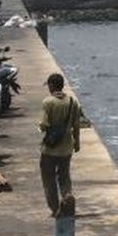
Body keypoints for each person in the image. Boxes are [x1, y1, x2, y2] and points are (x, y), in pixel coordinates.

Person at [38, 72, 82, 217]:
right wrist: (77, 143)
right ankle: (66, 196)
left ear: (51, 85)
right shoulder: (72, 102)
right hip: (66, 147)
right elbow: (76, 125)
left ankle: (55, 208)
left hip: (50, 148)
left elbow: (44, 124)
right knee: (64, 176)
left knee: (48, 178)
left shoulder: (48, 102)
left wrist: (40, 127)